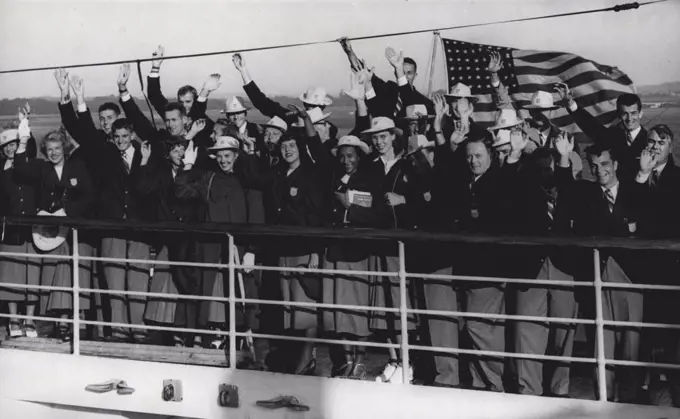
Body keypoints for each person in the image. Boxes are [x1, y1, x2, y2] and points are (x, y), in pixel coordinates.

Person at [570, 144, 645, 402]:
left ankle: (630, 402)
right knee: (602, 343)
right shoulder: (586, 196)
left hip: (630, 276)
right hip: (598, 276)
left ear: (615, 165)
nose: (598, 170)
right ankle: (604, 399)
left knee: (631, 344)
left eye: (604, 163)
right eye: (593, 165)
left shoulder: (635, 191)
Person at [512, 135, 580, 398]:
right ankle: (528, 390)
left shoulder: (569, 190)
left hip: (564, 266)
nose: (545, 173)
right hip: (531, 267)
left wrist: (564, 159)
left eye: (549, 167)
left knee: (565, 332)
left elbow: (570, 191)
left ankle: (559, 389)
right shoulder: (524, 191)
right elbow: (506, 184)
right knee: (527, 332)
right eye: (539, 169)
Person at [14, 130, 96, 341]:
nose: (53, 153)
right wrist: (23, 139)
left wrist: (67, 210)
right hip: (51, 234)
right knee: (57, 279)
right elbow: (20, 171)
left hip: (74, 234)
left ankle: (70, 323)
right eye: (49, 149)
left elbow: (89, 195)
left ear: (65, 149)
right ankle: (60, 324)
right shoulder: (42, 168)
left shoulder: (78, 167)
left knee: (73, 278)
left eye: (57, 148)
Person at [361, 117, 420, 384]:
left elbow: (426, 197)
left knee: (400, 305)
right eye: (375, 138)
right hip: (378, 242)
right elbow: (365, 199)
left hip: (401, 246)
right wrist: (349, 199)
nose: (379, 142)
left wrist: (405, 199)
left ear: (393, 137)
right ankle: (393, 359)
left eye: (383, 137)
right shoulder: (369, 166)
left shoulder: (409, 164)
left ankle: (407, 362)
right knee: (383, 305)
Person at [135, 134, 205, 347]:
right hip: (167, 236)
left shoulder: (197, 174)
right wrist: (145, 160)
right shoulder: (161, 174)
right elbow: (142, 189)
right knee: (165, 282)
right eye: (175, 151)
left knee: (185, 283)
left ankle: (184, 329)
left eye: (183, 150)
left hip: (190, 237)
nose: (180, 155)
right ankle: (164, 328)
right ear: (168, 155)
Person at [233, 53, 339, 150]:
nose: (310, 109)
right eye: (308, 105)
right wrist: (243, 70)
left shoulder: (330, 130)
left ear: (323, 107)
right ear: (304, 104)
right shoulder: (291, 119)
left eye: (314, 106)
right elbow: (262, 102)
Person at [556, 83, 646, 180]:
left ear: (640, 114)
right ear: (619, 115)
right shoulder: (612, 136)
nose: (629, 118)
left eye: (633, 113)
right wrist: (570, 103)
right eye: (625, 114)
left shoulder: (651, 140)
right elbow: (590, 125)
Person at [0, 123, 39, 339]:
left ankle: (30, 320)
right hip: (10, 232)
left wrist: (25, 123)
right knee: (11, 278)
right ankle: (13, 319)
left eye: (13, 144)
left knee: (31, 276)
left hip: (32, 232)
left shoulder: (32, 167)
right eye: (5, 146)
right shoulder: (1, 170)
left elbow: (30, 144)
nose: (9, 149)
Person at [147, 45, 218, 133]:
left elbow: (198, 111)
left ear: (195, 101)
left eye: (188, 102)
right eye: (181, 102)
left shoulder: (206, 122)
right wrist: (155, 66)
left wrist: (204, 92)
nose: (184, 106)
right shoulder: (172, 113)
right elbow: (154, 96)